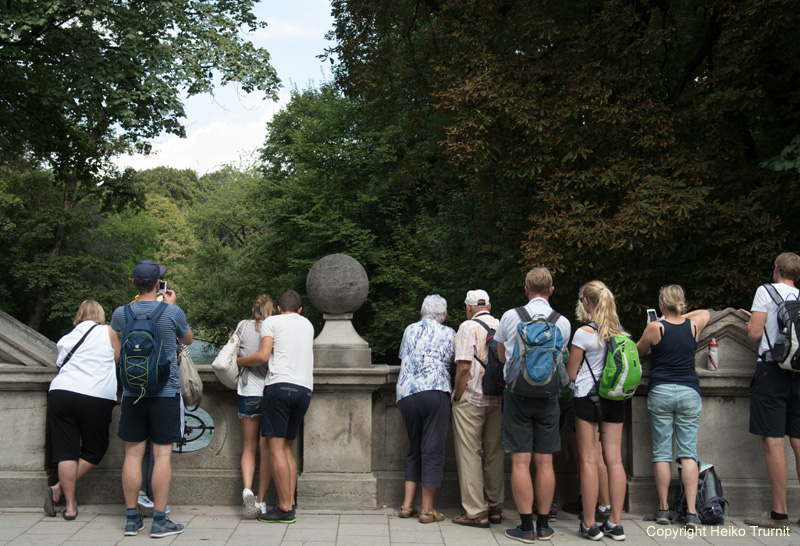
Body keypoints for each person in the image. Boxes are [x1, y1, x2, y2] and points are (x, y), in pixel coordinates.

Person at [111, 260, 193, 538]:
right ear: (159, 284)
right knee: (162, 454)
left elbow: (116, 343)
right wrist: (171, 306)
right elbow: (189, 339)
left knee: (133, 454)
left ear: (134, 284)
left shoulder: (121, 314)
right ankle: (159, 521)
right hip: (165, 393)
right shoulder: (173, 312)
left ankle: (132, 519)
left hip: (133, 393)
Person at [495, 267, 571, 543]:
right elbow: (560, 359)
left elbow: (502, 357)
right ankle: (543, 526)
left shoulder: (510, 317)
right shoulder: (562, 322)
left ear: (526, 289)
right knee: (545, 461)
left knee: (520, 461)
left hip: (517, 396)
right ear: (552, 290)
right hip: (549, 398)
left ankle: (525, 527)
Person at [636, 285, 711, 531]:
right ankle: (691, 512)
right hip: (689, 391)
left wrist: (663, 319)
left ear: (661, 304)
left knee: (661, 451)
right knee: (688, 452)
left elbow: (638, 352)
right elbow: (706, 313)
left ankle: (664, 509)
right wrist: (681, 316)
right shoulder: (693, 326)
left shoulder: (655, 327)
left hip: (661, 391)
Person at [237, 290, 314, 524]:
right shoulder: (308, 324)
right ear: (300, 310)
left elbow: (262, 356)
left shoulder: (272, 321)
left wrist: (238, 361)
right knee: (286, 448)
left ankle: (283, 508)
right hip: (304, 389)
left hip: (279, 387)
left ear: (280, 308)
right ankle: (289, 504)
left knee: (275, 448)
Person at [739, 252, 800, 531]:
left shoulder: (765, 291)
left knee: (774, 443)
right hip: (798, 373)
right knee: (798, 442)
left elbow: (754, 334)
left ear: (776, 269)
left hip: (771, 372)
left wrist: (754, 321)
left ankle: (779, 513)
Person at [45, 300, 120, 520]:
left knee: (65, 451)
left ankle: (69, 506)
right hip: (95, 395)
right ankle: (57, 488)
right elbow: (116, 359)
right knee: (95, 449)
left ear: (79, 315)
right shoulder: (108, 331)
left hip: (61, 392)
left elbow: (61, 364)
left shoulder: (66, 339)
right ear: (100, 314)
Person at [566, 280, 627, 541]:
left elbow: (571, 373)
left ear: (587, 303)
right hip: (615, 398)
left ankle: (590, 523)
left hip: (588, 399)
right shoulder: (622, 334)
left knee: (589, 459)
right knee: (614, 460)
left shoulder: (583, 334)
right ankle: (615, 523)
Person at [395, 295, 455, 524]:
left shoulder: (409, 330)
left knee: (415, 447)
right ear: (444, 316)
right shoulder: (449, 332)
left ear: (421, 313)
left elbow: (404, 358)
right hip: (435, 391)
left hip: (406, 395)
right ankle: (427, 510)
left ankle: (407, 505)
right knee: (432, 450)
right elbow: (451, 362)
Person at [451, 290, 504, 528]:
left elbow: (463, 366)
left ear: (468, 307)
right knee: (494, 453)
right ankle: (495, 507)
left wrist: (457, 395)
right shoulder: (503, 324)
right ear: (489, 306)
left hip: (472, 397)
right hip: (498, 398)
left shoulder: (467, 327)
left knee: (469, 453)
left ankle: (476, 512)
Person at [236, 295, 274, 518]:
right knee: (266, 448)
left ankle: (247, 489)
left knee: (248, 448)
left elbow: (232, 351)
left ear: (253, 309)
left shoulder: (243, 326)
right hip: (270, 392)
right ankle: (260, 500)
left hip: (248, 391)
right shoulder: (275, 329)